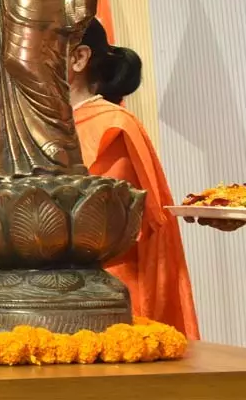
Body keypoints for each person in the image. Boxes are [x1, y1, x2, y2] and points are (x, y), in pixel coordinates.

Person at [67, 19, 199, 338]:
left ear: (78, 58)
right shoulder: (24, 127)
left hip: (99, 302)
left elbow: (98, 230)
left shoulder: (110, 127)